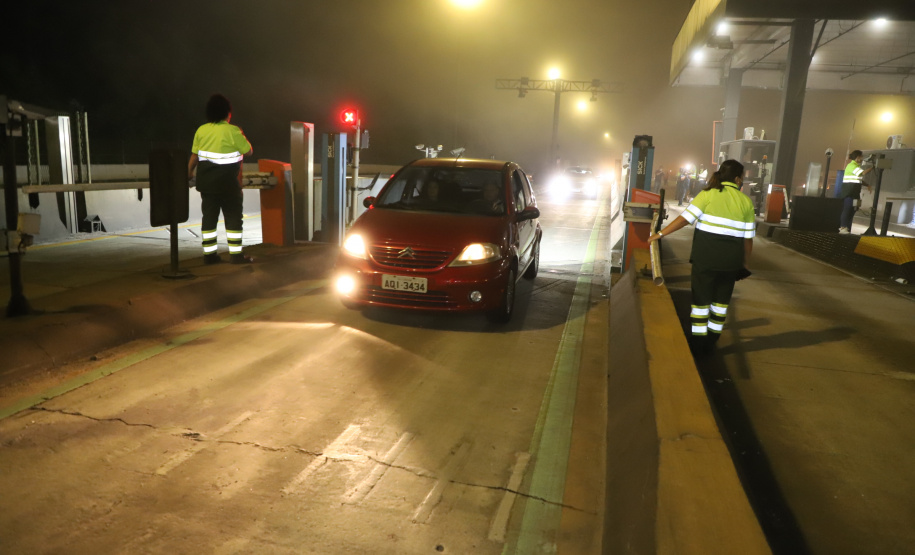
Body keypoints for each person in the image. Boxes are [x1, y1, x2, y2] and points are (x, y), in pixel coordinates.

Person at [647, 159, 755, 355]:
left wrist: (660, 234)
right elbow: (748, 240)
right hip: (730, 264)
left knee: (700, 303)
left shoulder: (707, 195)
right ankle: (711, 342)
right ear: (738, 179)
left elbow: (684, 220)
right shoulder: (746, 202)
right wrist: (745, 263)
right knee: (720, 305)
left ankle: (697, 344)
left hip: (705, 260)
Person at [188, 94, 253, 264]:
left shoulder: (201, 130)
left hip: (207, 184)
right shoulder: (233, 131)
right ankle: (236, 256)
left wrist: (189, 172)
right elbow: (248, 151)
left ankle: (209, 256)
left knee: (209, 218)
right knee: (233, 218)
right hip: (229, 184)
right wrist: (240, 137)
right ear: (228, 114)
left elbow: (195, 155)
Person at [838, 150, 873, 234]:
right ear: (857, 157)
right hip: (849, 192)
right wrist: (873, 167)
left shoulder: (856, 166)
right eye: (861, 157)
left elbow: (858, 179)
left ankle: (847, 228)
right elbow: (863, 173)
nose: (862, 158)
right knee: (847, 210)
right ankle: (843, 227)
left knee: (852, 211)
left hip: (855, 192)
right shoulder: (851, 165)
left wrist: (867, 185)